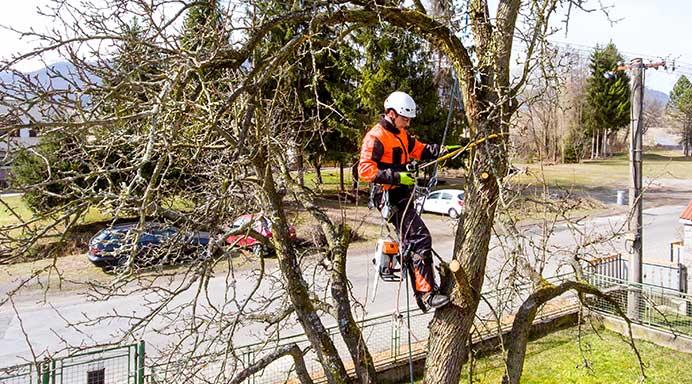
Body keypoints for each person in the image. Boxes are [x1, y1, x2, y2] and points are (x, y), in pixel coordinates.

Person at [358, 91, 454, 311]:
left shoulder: (401, 134)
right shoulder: (376, 137)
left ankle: (426, 292)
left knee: (413, 241)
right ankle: (426, 295)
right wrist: (396, 177)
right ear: (391, 114)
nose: (408, 123)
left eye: (409, 120)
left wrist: (443, 151)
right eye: (405, 118)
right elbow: (365, 170)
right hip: (389, 196)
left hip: (403, 195)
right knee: (420, 238)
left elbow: (419, 149)